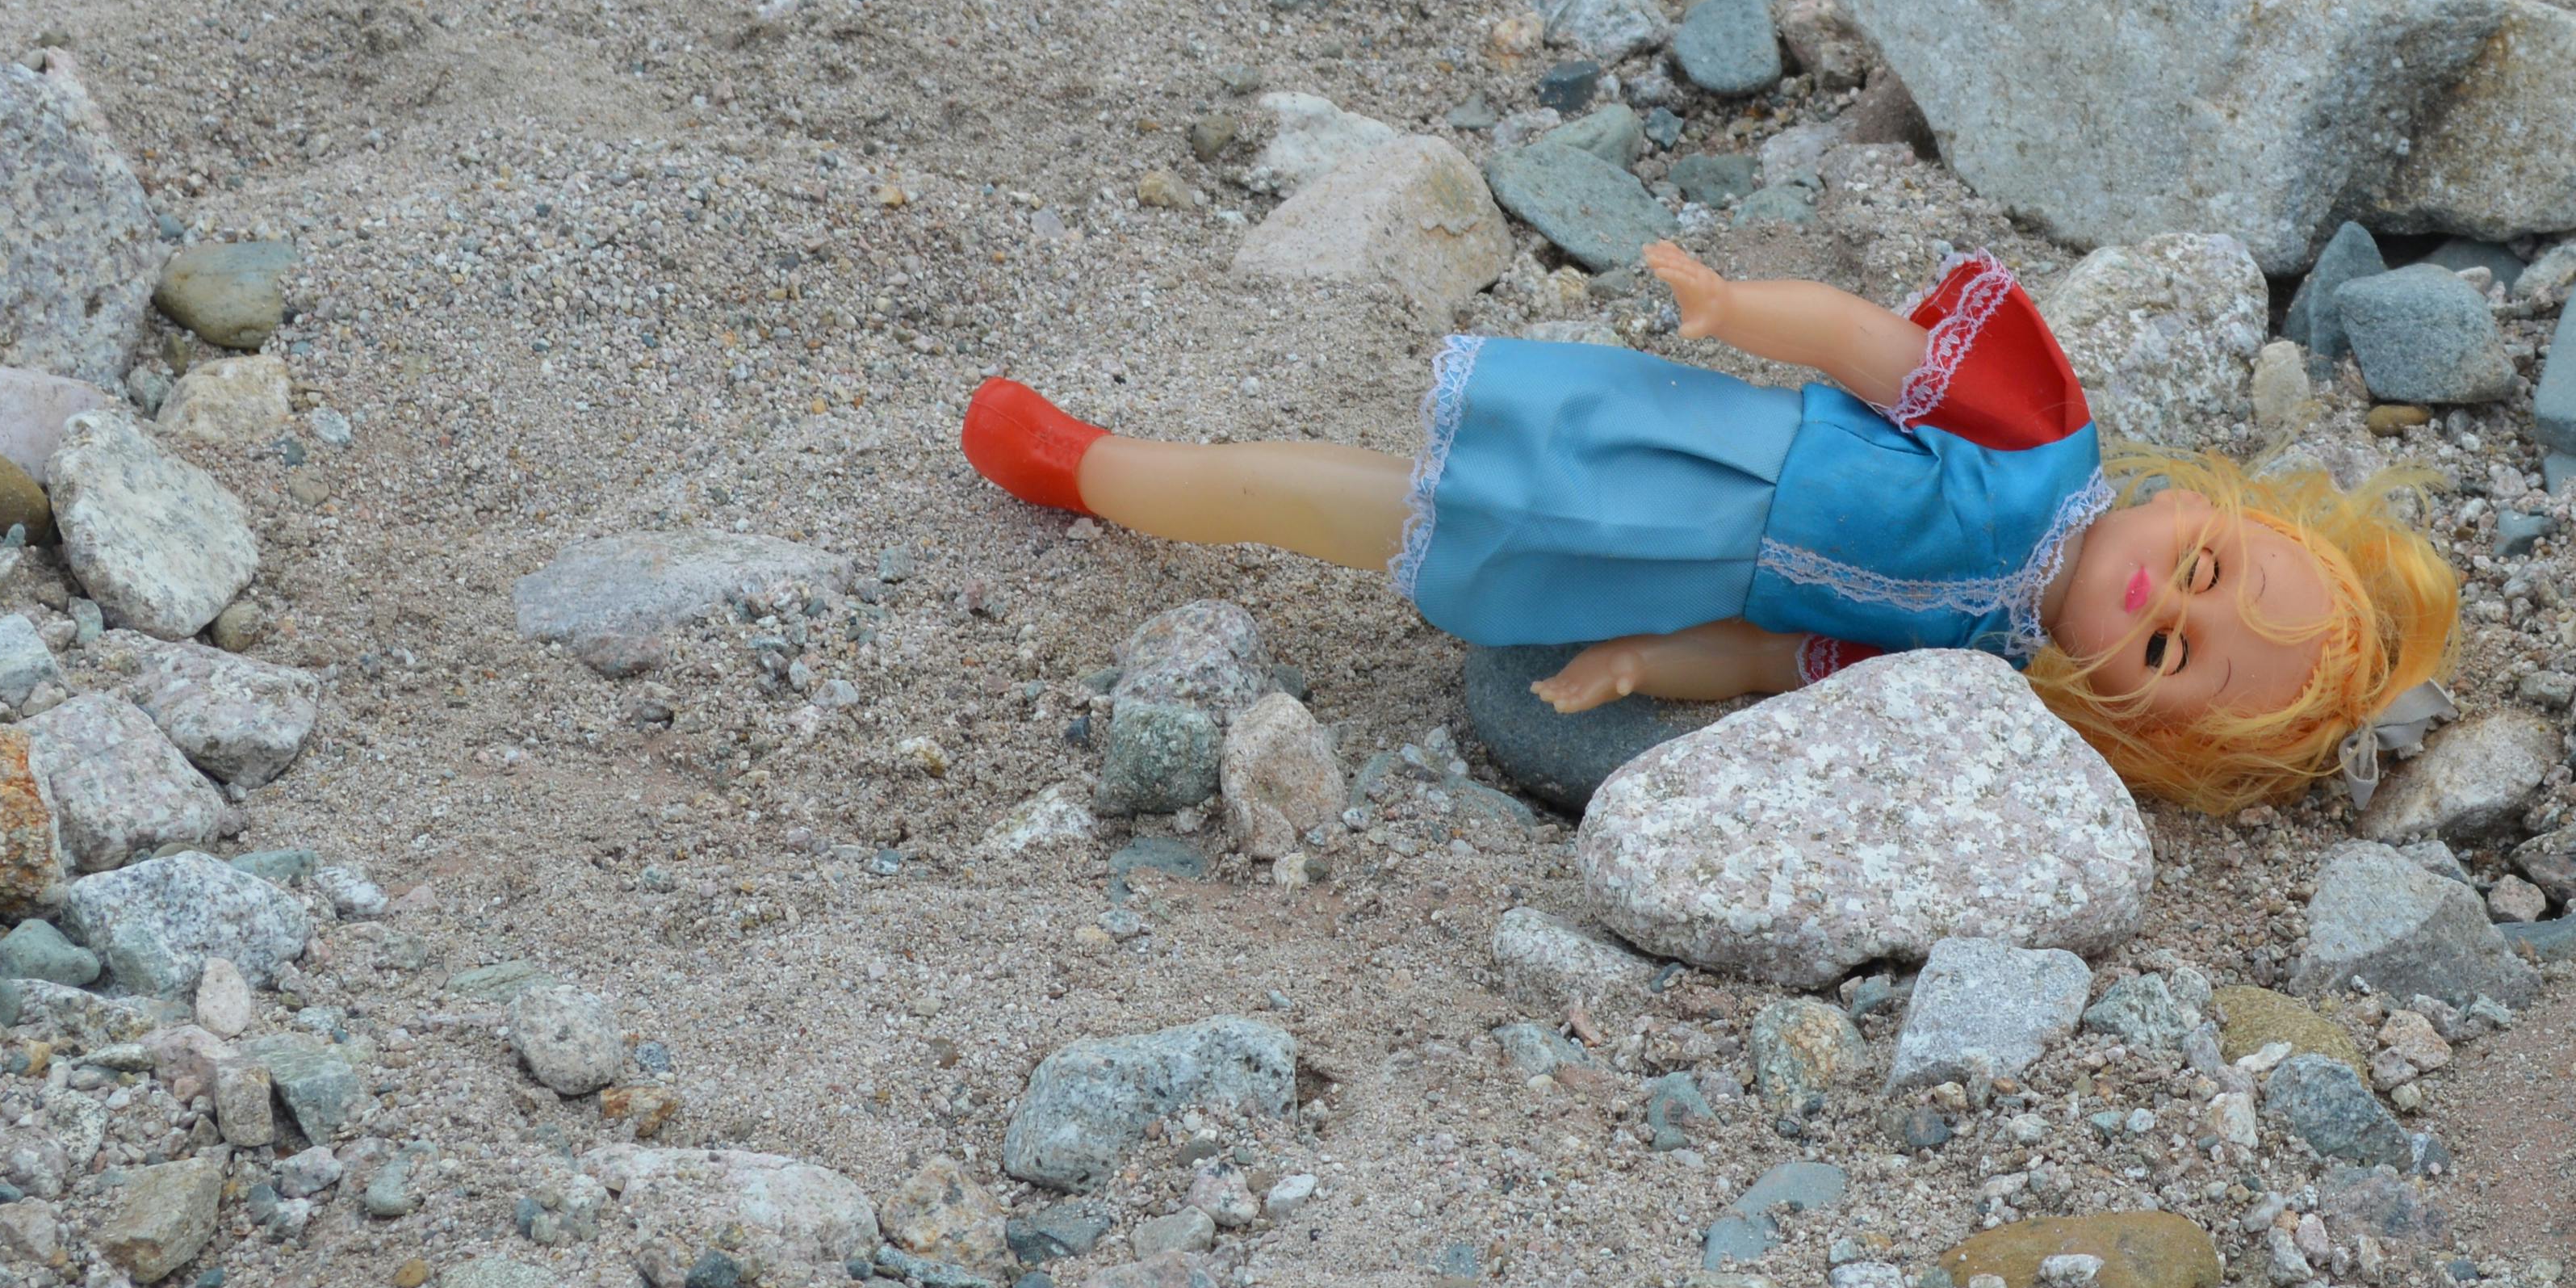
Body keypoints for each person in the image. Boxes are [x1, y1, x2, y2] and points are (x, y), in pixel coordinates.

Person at [961, 243, 2457, 811]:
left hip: (1646, 565)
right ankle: (1097, 463)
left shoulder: (1973, 670)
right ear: (2197, 505)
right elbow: (1871, 346)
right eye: (2201, 569)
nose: (2155, 598)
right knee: (1381, 479)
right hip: (1677, 450)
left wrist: (1642, 667)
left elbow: (1770, 656)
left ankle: (1102, 470)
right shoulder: (2035, 440)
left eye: (2167, 651)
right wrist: (1744, 310)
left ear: (2123, 716)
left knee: (1373, 522)